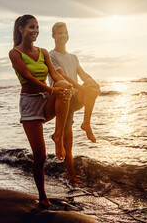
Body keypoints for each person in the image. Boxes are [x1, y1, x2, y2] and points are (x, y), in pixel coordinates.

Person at [9, 15, 72, 208]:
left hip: (45, 99)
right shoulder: (15, 53)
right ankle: (42, 196)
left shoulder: (43, 52)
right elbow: (27, 77)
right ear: (21, 29)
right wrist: (52, 90)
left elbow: (53, 74)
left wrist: (63, 84)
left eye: (37, 27)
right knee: (40, 155)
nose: (35, 30)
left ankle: (58, 135)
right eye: (31, 27)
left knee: (63, 84)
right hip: (30, 104)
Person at [49, 22, 100, 186]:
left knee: (92, 86)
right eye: (59, 33)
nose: (63, 35)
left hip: (75, 98)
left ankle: (86, 124)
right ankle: (73, 178)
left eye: (65, 32)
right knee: (68, 145)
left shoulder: (73, 57)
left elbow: (83, 74)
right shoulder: (51, 56)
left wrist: (92, 83)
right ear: (53, 36)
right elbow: (63, 77)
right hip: (63, 101)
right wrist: (82, 88)